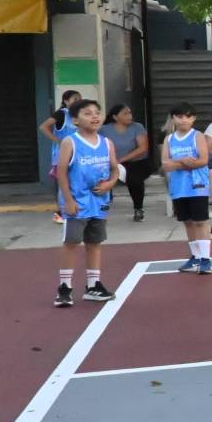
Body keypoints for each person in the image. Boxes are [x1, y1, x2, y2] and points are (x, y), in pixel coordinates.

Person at [52, 97, 117, 307]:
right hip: (77, 203)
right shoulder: (70, 142)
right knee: (71, 243)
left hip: (98, 202)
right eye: (87, 113)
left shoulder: (107, 143)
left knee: (94, 243)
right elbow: (60, 172)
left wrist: (110, 183)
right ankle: (64, 287)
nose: (94, 116)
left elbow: (115, 168)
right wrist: (68, 200)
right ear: (75, 120)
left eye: (97, 112)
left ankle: (93, 285)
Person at [161, 102, 212, 275]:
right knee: (188, 222)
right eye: (180, 116)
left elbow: (203, 160)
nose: (184, 120)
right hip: (178, 187)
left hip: (197, 186)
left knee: (200, 221)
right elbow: (165, 164)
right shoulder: (169, 139)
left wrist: (178, 163)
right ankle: (195, 257)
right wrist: (185, 161)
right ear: (173, 118)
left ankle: (205, 260)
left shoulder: (197, 136)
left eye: (188, 116)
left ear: (194, 118)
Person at [39, 89, 82, 224]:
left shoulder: (80, 115)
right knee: (63, 182)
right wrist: (57, 140)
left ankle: (75, 208)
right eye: (75, 99)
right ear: (66, 101)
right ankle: (61, 211)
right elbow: (43, 127)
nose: (78, 101)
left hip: (77, 154)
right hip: (62, 155)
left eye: (79, 99)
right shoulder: (61, 114)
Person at [104, 103, 151, 221]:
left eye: (130, 113)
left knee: (134, 180)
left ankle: (138, 208)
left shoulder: (137, 127)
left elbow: (142, 148)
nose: (129, 115)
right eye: (125, 113)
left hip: (137, 162)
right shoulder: (104, 130)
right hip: (112, 162)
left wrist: (121, 160)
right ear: (115, 117)